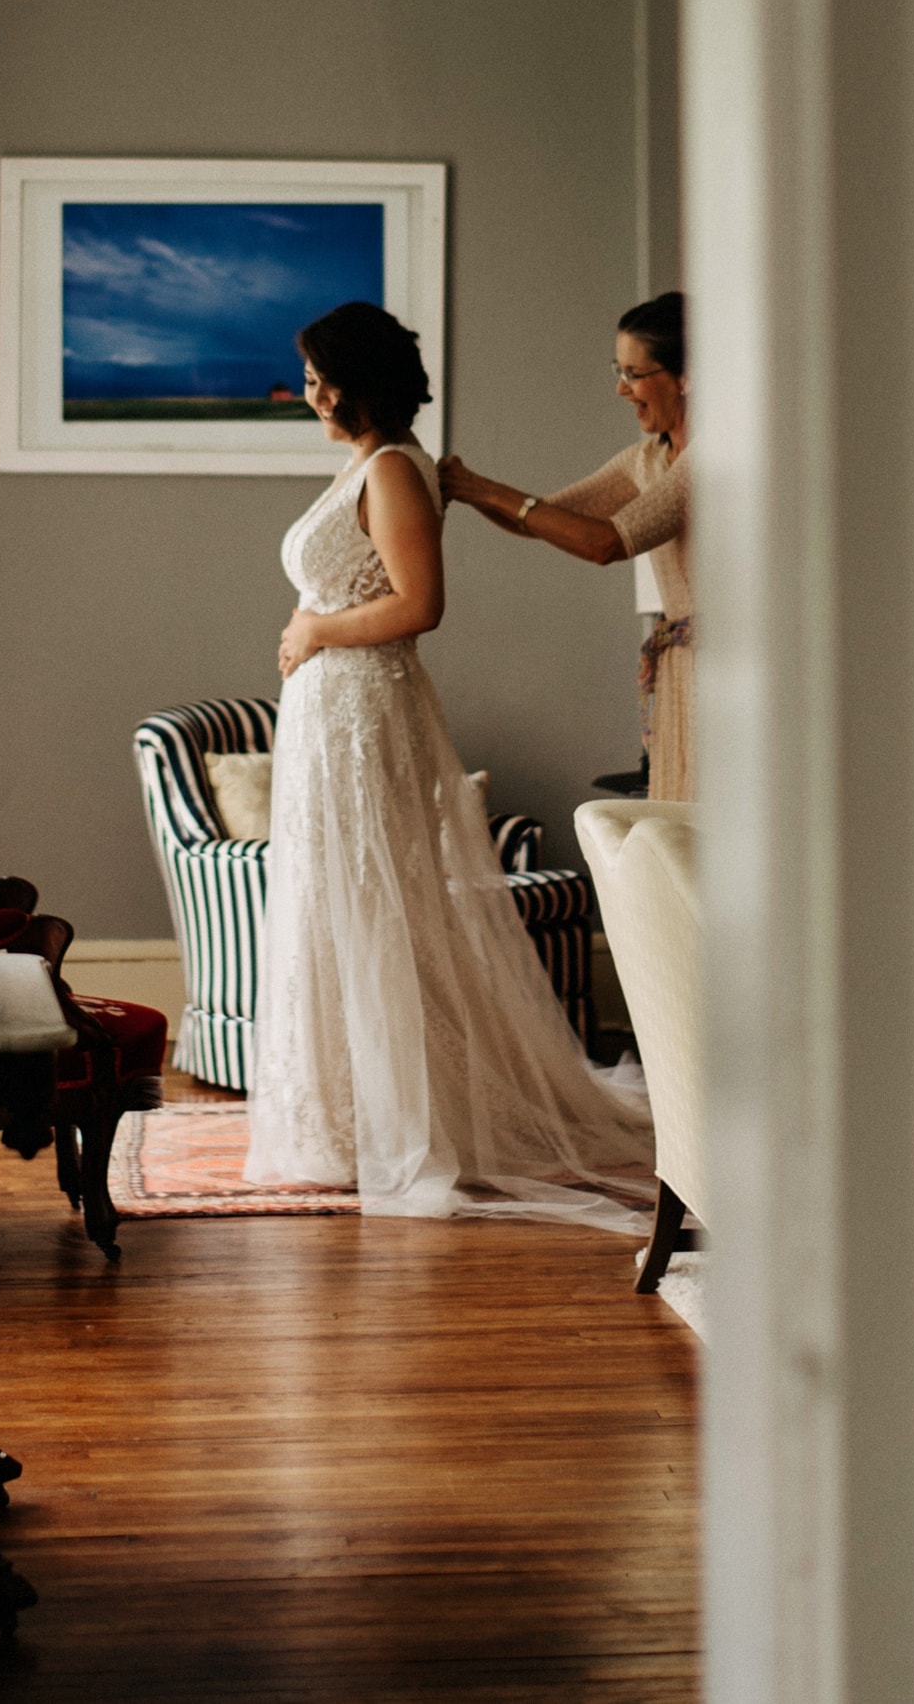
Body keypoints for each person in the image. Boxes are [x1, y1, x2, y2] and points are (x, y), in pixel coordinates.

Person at [243, 300, 653, 1224]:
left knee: (372, 898)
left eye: (316, 378)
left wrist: (313, 627)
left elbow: (419, 605)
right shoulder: (365, 465)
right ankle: (344, 1117)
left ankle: (396, 1122)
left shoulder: (392, 471)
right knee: (331, 898)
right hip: (328, 711)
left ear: (352, 382)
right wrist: (311, 638)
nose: (307, 394)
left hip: (362, 710)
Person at [438, 291, 692, 803]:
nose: (621, 389)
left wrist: (481, 489)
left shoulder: (715, 456)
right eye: (616, 371)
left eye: (634, 373)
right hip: (684, 672)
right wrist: (463, 489)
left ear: (687, 376)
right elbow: (543, 520)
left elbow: (604, 544)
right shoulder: (645, 458)